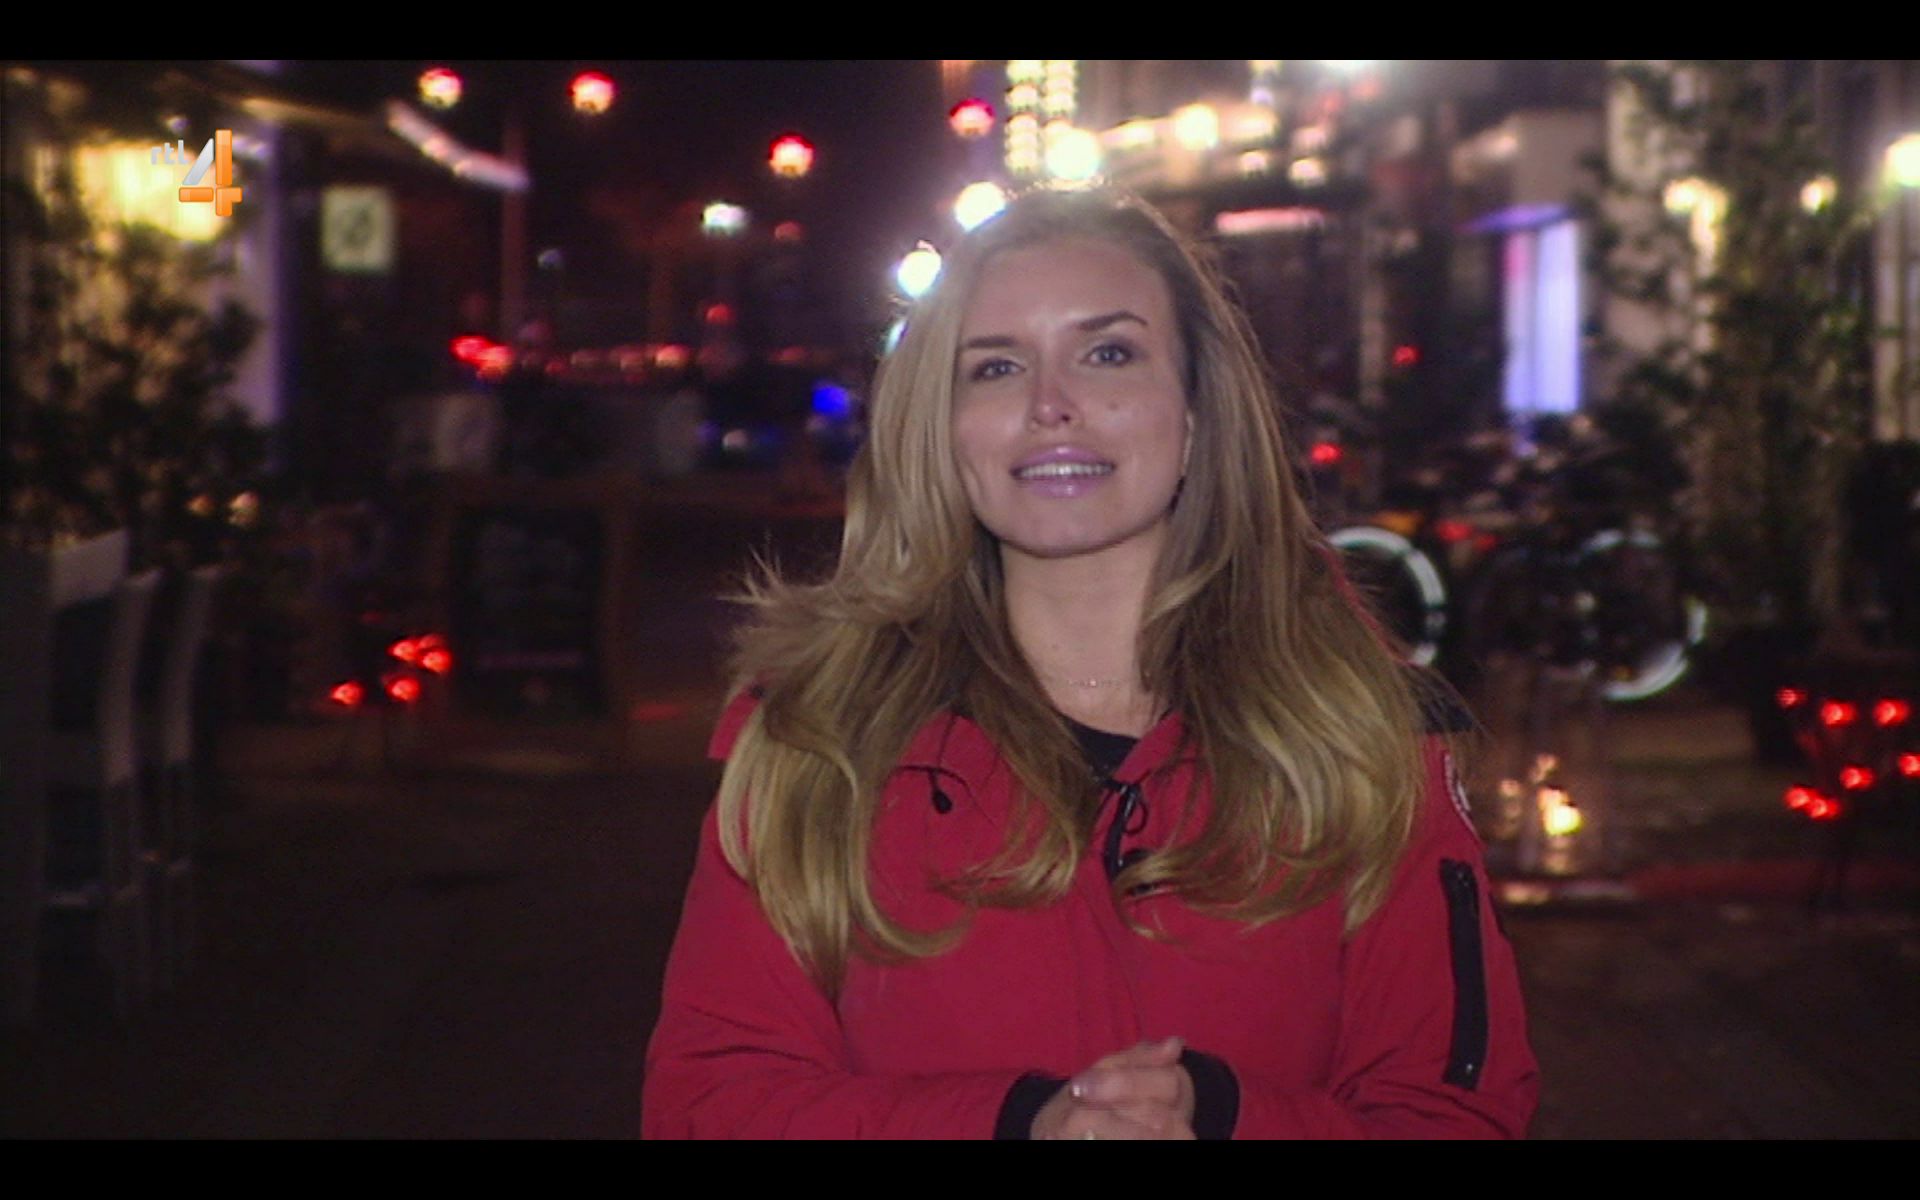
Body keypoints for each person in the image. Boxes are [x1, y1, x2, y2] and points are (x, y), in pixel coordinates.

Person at [641, 187, 1538, 1139]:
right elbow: (707, 1107)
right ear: (940, 428)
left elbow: (1453, 1115)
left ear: (1197, 413)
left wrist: (1221, 1123)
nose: (1050, 406)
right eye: (995, 367)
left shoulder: (1365, 739)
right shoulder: (816, 738)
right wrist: (1018, 1127)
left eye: (1108, 353)